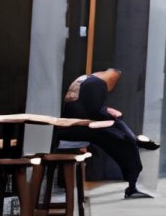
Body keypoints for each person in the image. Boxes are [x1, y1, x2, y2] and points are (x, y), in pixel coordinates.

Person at [60, 68, 160, 199]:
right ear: (113, 78)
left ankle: (134, 142)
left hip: (75, 126)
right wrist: (111, 114)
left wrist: (107, 111)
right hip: (81, 128)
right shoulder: (97, 84)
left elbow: (87, 107)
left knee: (120, 128)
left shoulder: (85, 79)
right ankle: (132, 181)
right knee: (124, 138)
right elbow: (95, 111)